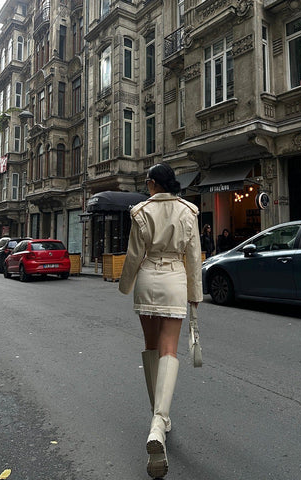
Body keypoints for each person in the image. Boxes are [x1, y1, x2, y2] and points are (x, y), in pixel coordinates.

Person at [119, 163, 203, 479]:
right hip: (174, 280)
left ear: (153, 184)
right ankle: (159, 422)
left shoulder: (140, 211)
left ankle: (159, 417)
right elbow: (194, 257)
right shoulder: (189, 211)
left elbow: (133, 255)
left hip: (147, 278)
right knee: (169, 348)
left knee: (151, 346)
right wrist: (195, 293)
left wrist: (125, 284)